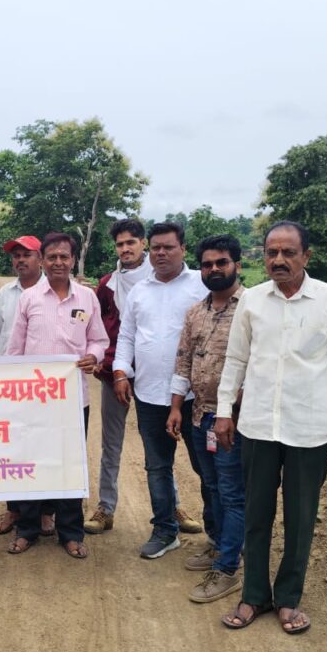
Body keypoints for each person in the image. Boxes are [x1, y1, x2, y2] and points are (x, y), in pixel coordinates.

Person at [215, 221, 327, 634]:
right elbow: (236, 359)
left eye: (288, 252)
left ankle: (288, 599)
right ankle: (254, 595)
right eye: (271, 252)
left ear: (306, 256)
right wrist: (224, 411)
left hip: (310, 427)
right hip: (258, 426)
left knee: (301, 518)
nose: (278, 260)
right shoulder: (251, 301)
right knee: (256, 514)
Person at [113, 221, 213, 560]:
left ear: (183, 248)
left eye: (168, 247)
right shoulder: (140, 291)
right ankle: (165, 531)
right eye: (156, 247)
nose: (161, 253)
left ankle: (218, 535)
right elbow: (127, 336)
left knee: (206, 468)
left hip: (195, 398)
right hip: (149, 395)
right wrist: (121, 371)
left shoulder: (201, 284)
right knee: (157, 467)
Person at [5, 232, 108, 559]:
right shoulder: (30, 298)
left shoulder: (87, 298)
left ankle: (71, 532)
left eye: (64, 256)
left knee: (70, 465)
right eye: (52, 257)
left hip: (74, 400)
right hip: (33, 399)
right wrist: (11, 390)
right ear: (43, 261)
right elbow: (15, 349)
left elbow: (99, 340)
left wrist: (93, 356)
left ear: (73, 260)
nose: (58, 262)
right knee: (31, 462)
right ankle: (27, 529)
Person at [167, 234, 246, 603]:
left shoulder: (253, 309)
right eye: (207, 264)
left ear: (237, 265)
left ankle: (229, 568)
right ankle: (217, 543)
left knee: (231, 492)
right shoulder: (195, 313)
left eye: (221, 262)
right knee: (211, 485)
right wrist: (176, 407)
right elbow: (183, 361)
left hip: (235, 420)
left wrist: (232, 412)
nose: (214, 269)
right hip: (200, 415)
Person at [88, 218, 179, 534]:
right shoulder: (107, 285)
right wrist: (103, 361)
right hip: (115, 375)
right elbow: (98, 327)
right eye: (120, 244)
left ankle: (173, 506)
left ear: (143, 244)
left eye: (131, 242)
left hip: (156, 375)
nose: (125, 249)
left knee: (161, 445)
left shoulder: (164, 281)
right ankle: (106, 507)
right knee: (111, 443)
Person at [0, 235, 49, 536]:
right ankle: (14, 508)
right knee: (12, 449)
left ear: (41, 259)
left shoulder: (51, 291)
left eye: (27, 254)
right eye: (16, 255)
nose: (20, 260)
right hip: (8, 386)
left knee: (43, 448)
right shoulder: (4, 294)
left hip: (43, 387)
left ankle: (47, 511)